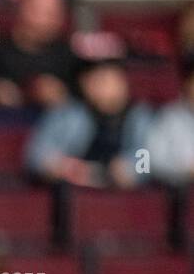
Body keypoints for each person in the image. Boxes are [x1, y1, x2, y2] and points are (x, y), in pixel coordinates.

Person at [24, 56, 153, 189]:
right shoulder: (67, 114)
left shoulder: (140, 117)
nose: (101, 87)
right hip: (73, 193)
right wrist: (61, 166)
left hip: (122, 198)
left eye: (106, 79)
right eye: (93, 80)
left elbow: (146, 165)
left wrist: (128, 170)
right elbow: (36, 157)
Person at [0, 0, 78, 118]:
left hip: (49, 120)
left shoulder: (67, 55)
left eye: (52, 13)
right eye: (38, 11)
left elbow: (83, 92)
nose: (43, 20)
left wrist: (61, 95)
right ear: (22, 9)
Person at [143, 60, 194, 187]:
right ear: (186, 84)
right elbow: (151, 161)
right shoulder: (169, 117)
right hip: (178, 192)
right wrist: (184, 169)